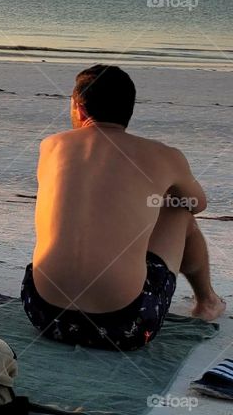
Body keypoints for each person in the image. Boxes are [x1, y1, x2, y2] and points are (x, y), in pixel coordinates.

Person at [22, 64, 225, 351]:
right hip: (124, 326)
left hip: (43, 314)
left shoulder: (52, 145)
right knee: (180, 211)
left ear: (79, 108)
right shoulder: (164, 155)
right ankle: (207, 302)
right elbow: (197, 204)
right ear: (128, 110)